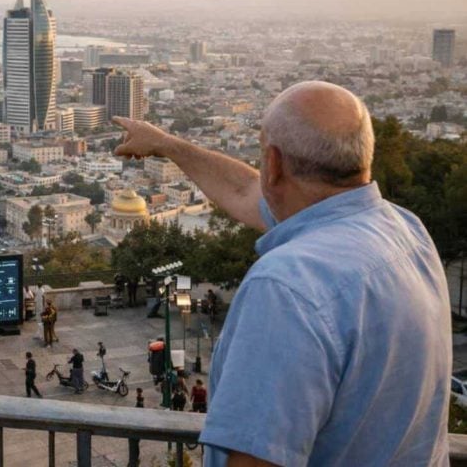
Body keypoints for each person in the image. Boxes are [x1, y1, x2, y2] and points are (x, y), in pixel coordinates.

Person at [114, 81, 451, 466]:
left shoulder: (286, 286)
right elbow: (243, 189)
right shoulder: (407, 232)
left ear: (272, 165)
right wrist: (166, 144)